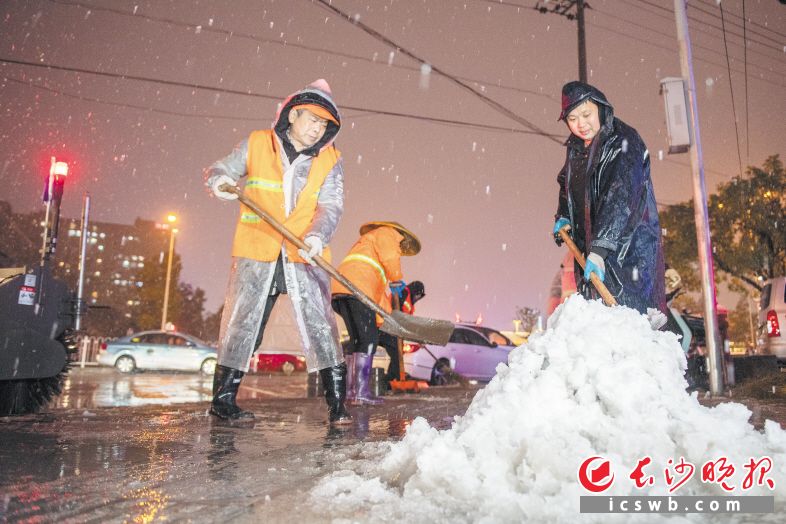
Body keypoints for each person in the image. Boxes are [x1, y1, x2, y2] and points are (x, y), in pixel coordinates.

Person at [204, 79, 351, 424]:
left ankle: (338, 407)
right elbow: (221, 168)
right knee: (244, 324)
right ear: (293, 114)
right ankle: (223, 403)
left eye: (323, 124)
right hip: (257, 251)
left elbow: (330, 205)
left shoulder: (330, 160)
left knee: (322, 326)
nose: (317, 129)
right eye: (312, 120)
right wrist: (219, 182)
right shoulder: (257, 144)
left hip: (305, 252)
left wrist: (317, 236)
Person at [552, 81, 666, 315]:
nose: (581, 124)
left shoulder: (623, 141)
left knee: (629, 320)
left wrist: (601, 249)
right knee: (601, 325)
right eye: (572, 119)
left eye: (586, 114)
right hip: (592, 252)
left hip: (628, 251)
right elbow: (568, 183)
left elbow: (621, 197)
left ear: (600, 108)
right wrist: (564, 216)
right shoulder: (577, 148)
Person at [331, 221, 421, 405]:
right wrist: (396, 278)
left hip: (343, 289)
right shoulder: (387, 233)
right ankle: (361, 393)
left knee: (358, 340)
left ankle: (352, 392)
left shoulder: (369, 251)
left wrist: (387, 322)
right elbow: (390, 256)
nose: (400, 248)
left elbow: (378, 299)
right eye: (401, 246)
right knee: (368, 339)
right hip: (358, 288)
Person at [378, 280, 426, 388]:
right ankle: (388, 381)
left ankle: (390, 381)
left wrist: (418, 339)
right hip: (386, 327)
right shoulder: (404, 292)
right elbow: (396, 310)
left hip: (393, 331)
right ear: (415, 291)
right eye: (418, 295)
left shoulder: (410, 303)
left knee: (397, 356)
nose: (418, 298)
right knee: (396, 355)